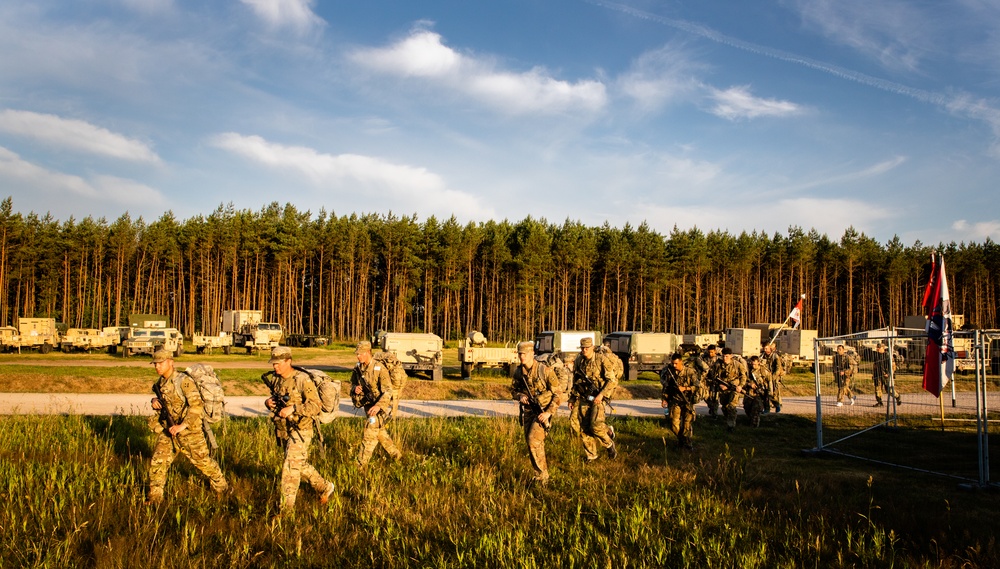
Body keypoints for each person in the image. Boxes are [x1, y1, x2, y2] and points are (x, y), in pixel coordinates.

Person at [146, 349, 228, 505]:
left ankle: (222, 488)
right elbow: (165, 402)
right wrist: (154, 401)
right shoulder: (161, 382)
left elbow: (196, 406)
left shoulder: (183, 381)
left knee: (203, 463)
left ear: (171, 362)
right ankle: (155, 498)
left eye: (161, 363)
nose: (157, 366)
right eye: (155, 364)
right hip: (169, 430)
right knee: (158, 461)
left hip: (190, 432)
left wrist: (181, 426)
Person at [263, 346, 335, 514]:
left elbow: (315, 406)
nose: (275, 366)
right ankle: (325, 487)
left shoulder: (302, 380)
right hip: (284, 428)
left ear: (288, 361)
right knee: (298, 464)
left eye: (278, 363)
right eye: (273, 363)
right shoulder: (276, 378)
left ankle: (285, 510)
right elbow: (277, 398)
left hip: (302, 429)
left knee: (290, 467)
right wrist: (268, 402)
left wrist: (294, 408)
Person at [510, 341, 563, 484]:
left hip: (543, 411)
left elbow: (558, 393)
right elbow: (513, 390)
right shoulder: (519, 372)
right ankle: (540, 474)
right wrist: (520, 396)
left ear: (532, 354)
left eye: (524, 354)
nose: (522, 357)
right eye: (520, 354)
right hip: (528, 411)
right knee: (531, 443)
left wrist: (548, 413)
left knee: (533, 440)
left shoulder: (544, 370)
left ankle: (542, 476)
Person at [351, 340, 402, 466]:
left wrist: (379, 406)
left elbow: (388, 391)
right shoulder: (358, 368)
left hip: (379, 407)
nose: (358, 356)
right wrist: (355, 389)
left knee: (369, 434)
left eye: (360, 353)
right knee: (380, 433)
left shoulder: (379, 369)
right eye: (357, 354)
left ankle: (361, 464)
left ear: (368, 352)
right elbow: (352, 384)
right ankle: (397, 456)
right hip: (368, 405)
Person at [569, 337, 619, 462]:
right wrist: (572, 398)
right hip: (585, 396)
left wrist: (601, 395)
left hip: (599, 397)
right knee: (583, 427)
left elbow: (612, 380)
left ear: (592, 347)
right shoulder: (579, 360)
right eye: (582, 348)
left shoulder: (601, 360)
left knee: (596, 426)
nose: (584, 350)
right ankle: (591, 455)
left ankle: (609, 444)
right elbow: (576, 380)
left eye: (587, 348)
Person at [659, 352, 701, 449]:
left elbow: (697, 386)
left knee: (687, 424)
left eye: (676, 363)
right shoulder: (670, 373)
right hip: (675, 401)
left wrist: (685, 388)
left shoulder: (690, 372)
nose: (674, 365)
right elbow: (666, 387)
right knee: (673, 424)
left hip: (687, 401)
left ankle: (687, 444)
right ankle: (682, 440)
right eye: (673, 363)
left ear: (681, 362)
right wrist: (664, 399)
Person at [709, 347, 747, 432]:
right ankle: (729, 419)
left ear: (731, 356)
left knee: (731, 407)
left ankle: (731, 426)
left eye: (726, 356)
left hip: (733, 389)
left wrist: (740, 386)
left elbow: (743, 376)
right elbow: (713, 377)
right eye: (723, 356)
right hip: (723, 390)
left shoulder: (737, 365)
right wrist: (719, 385)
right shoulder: (718, 365)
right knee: (724, 407)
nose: (724, 358)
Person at [695, 344, 722, 417]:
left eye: (712, 352)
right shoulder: (704, 358)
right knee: (706, 396)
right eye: (709, 352)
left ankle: (714, 413)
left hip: (716, 381)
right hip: (706, 380)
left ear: (715, 351)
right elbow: (698, 360)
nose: (711, 354)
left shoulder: (719, 359)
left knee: (715, 397)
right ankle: (711, 407)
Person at [872, 343, 901, 407]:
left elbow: (893, 366)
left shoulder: (888, 355)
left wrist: (889, 373)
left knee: (889, 390)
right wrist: (874, 374)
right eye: (877, 348)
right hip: (878, 375)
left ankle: (897, 396)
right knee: (877, 389)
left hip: (886, 376)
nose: (877, 349)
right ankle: (879, 402)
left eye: (879, 348)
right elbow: (875, 365)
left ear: (883, 348)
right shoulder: (877, 356)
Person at [743, 356, 767, 428]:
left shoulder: (764, 371)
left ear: (758, 363)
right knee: (747, 408)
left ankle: (754, 426)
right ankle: (751, 421)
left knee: (756, 409)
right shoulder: (748, 371)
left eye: (755, 364)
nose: (753, 365)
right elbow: (743, 381)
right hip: (749, 393)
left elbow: (769, 382)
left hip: (759, 394)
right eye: (752, 364)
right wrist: (749, 384)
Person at [762, 344, 785, 413]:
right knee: (765, 393)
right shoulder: (762, 356)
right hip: (765, 378)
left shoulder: (775, 356)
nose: (765, 350)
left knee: (773, 393)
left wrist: (774, 377)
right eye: (764, 349)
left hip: (773, 378)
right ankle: (767, 408)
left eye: (766, 348)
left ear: (770, 348)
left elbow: (778, 367)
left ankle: (777, 405)